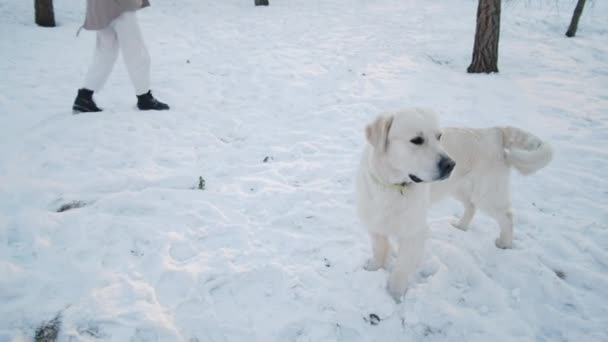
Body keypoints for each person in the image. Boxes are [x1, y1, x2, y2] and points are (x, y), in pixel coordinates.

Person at [73, 0, 169, 113]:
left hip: (100, 6)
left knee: (105, 52)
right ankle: (145, 98)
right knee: (136, 51)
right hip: (120, 5)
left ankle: (85, 97)